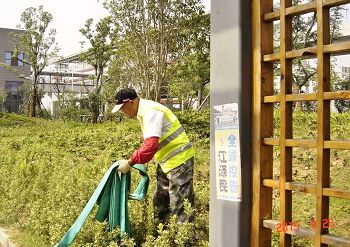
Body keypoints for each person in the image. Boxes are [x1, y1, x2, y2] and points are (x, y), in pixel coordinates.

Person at [111, 88, 195, 224]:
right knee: (161, 201)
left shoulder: (151, 111)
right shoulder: (143, 112)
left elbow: (151, 146)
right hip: (166, 162)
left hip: (180, 160)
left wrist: (130, 162)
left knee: (180, 204)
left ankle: (185, 241)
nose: (123, 112)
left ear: (131, 102)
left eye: (123, 108)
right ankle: (163, 236)